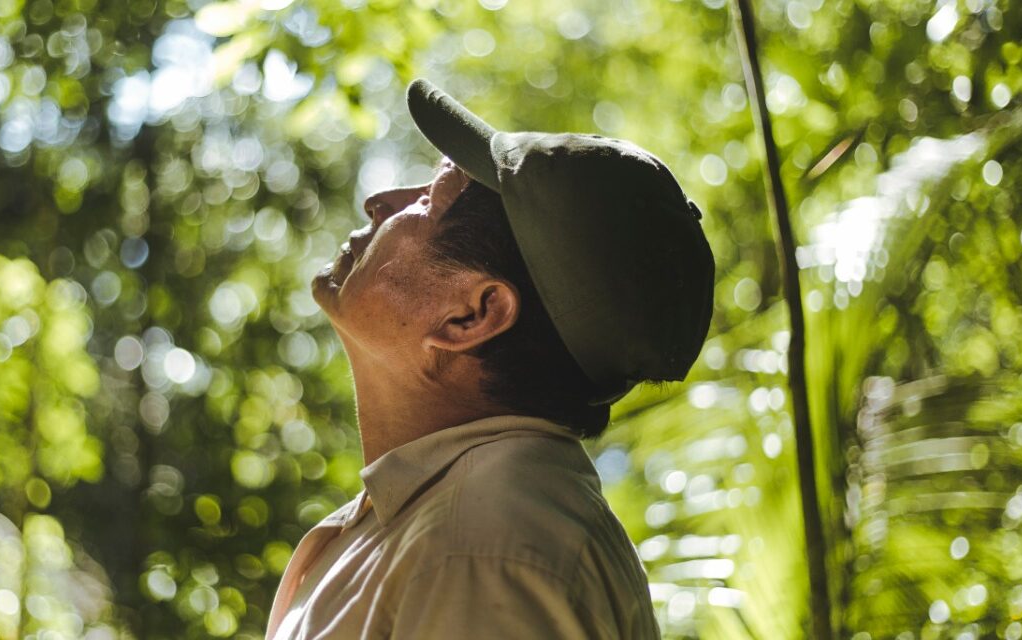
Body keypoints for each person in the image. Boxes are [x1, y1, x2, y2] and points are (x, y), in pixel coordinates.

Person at [265, 78, 715, 640]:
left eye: (428, 200)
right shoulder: (448, 519)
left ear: (471, 315)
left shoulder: (483, 544)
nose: (379, 202)